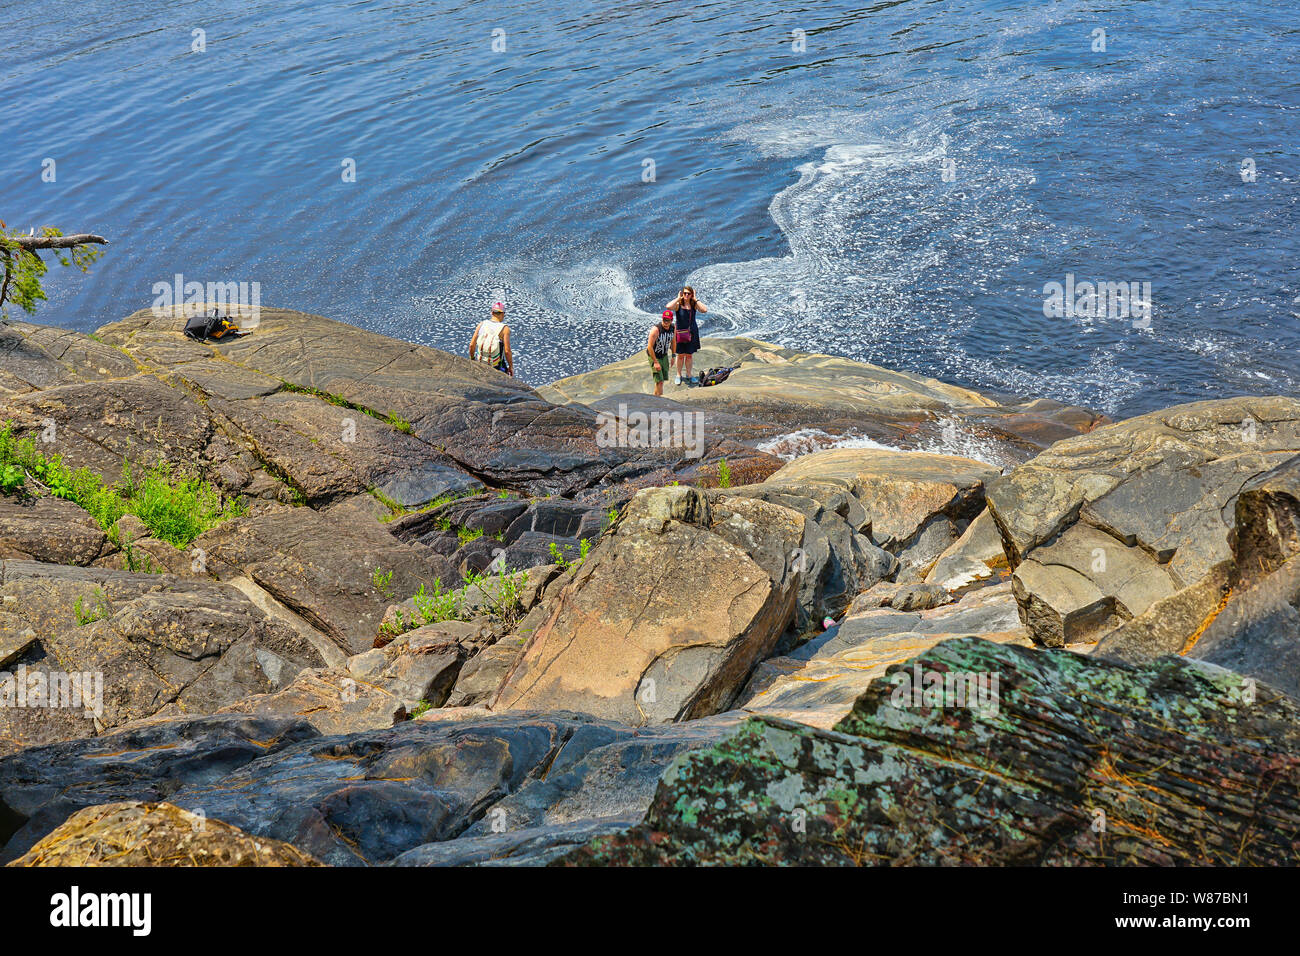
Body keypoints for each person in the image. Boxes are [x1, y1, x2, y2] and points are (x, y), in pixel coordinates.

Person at [666, 286, 707, 385]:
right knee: (680, 356)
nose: (686, 295)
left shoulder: (694, 305)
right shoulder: (678, 305)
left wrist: (695, 299)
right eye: (685, 293)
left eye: (689, 293)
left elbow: (704, 310)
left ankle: (689, 375)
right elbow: (668, 306)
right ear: (682, 294)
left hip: (692, 333)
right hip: (680, 333)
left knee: (689, 356)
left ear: (691, 294)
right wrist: (678, 298)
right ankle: (678, 375)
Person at [469, 301, 514, 376]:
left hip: (480, 363)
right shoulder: (505, 328)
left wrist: (472, 359)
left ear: (492, 313)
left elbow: (471, 345)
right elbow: (507, 351)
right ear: (503, 314)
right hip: (496, 366)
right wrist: (511, 367)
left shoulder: (481, 324)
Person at [647, 309, 676, 396]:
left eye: (668, 320)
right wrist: (655, 362)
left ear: (671, 320)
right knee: (659, 381)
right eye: (664, 319)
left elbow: (673, 341)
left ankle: (656, 398)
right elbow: (649, 347)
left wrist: (673, 355)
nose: (665, 322)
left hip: (664, 355)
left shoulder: (673, 328)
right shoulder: (656, 330)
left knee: (661, 381)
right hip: (655, 356)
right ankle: (660, 400)